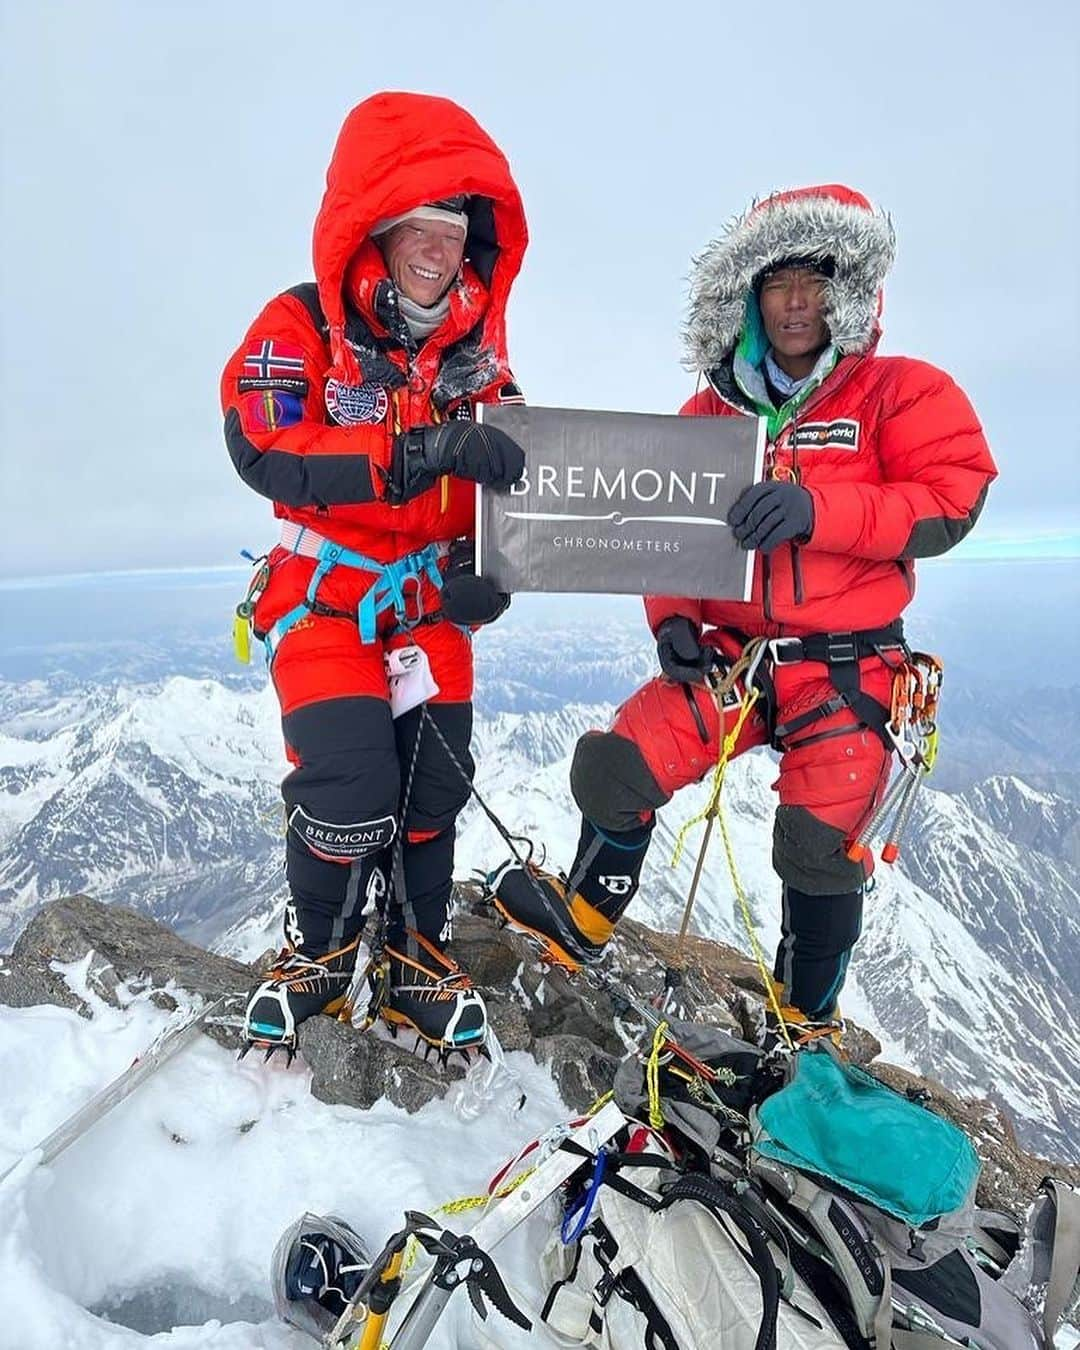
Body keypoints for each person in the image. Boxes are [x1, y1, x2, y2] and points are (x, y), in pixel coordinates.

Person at [492, 184, 996, 1041]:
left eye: (814, 281)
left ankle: (805, 1020)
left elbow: (954, 498)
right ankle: (581, 923)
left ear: (849, 290)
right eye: (777, 284)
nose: (796, 302)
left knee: (818, 850)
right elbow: (663, 530)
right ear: (750, 300)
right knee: (617, 768)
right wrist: (672, 620)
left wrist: (819, 515)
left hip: (848, 664)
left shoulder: (898, 393)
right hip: (730, 653)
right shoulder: (710, 412)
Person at [221, 91, 528, 1056]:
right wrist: (414, 453)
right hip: (324, 599)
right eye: (418, 231)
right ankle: (317, 947)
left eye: (453, 231)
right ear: (377, 231)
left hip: (431, 604)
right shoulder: (301, 322)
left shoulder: (482, 360)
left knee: (434, 787)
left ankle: (411, 956)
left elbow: (520, 486)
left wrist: (492, 572)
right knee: (352, 787)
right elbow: (264, 446)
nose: (438, 252)